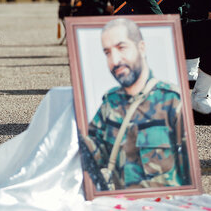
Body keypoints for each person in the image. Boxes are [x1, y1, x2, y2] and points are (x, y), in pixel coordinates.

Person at [79, 18, 189, 191]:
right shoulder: (110, 102)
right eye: (107, 52)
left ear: (141, 48)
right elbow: (94, 154)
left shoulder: (171, 100)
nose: (115, 60)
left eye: (121, 48)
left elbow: (189, 171)